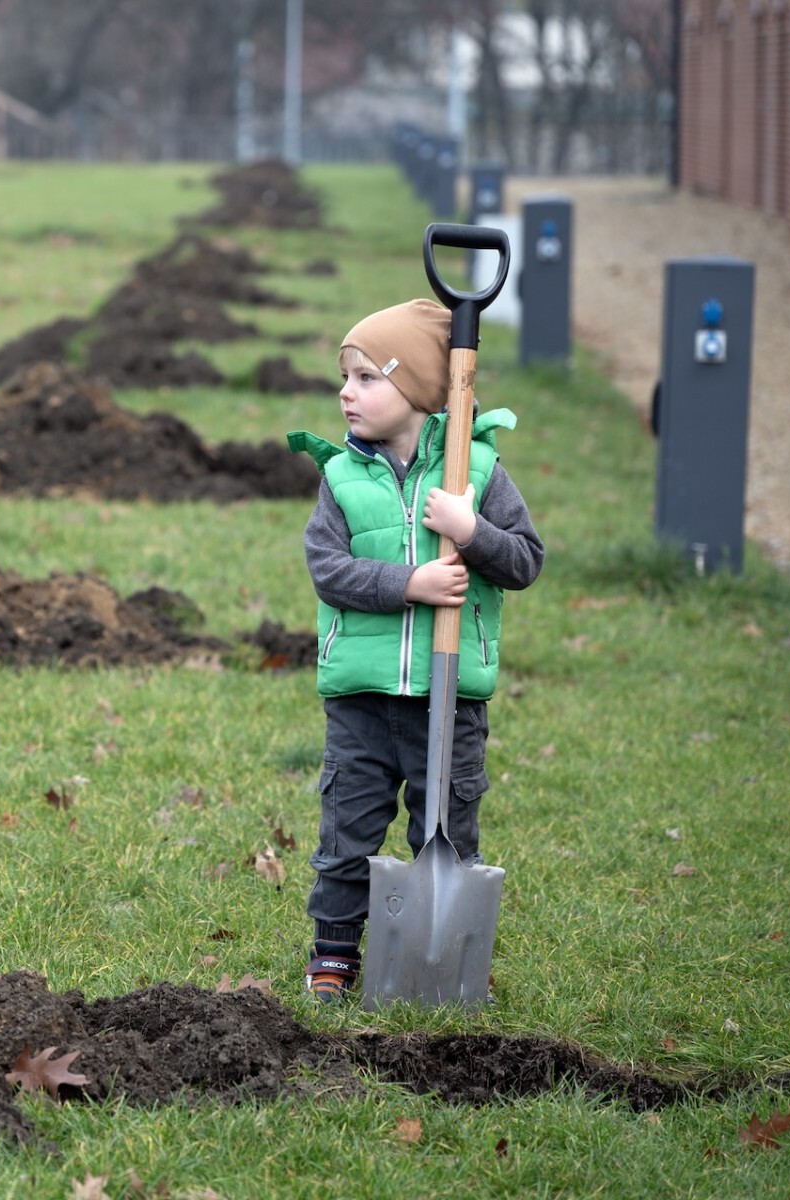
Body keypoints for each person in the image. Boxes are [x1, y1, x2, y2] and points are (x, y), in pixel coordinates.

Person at [285, 298, 544, 1001]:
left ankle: (449, 961)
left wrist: (472, 531)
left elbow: (523, 562)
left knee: (448, 840)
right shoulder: (340, 478)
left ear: (419, 391)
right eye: (345, 377)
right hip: (362, 701)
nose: (346, 392)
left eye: (367, 377)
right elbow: (328, 571)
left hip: (448, 701)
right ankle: (333, 956)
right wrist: (410, 583)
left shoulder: (477, 474)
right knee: (345, 837)